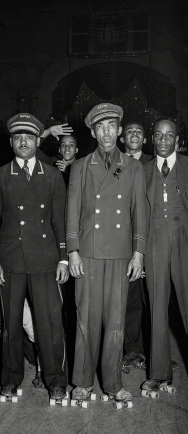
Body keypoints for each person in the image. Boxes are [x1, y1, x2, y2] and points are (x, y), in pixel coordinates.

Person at [66, 103, 147, 406]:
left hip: (120, 253)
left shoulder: (133, 166)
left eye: (112, 126)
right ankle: (83, 381)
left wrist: (138, 253)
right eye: (100, 127)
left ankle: (113, 383)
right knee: (86, 318)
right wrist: (73, 251)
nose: (107, 132)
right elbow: (71, 212)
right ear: (93, 132)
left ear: (120, 130)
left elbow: (140, 211)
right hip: (88, 253)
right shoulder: (81, 166)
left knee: (116, 320)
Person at [0, 112, 69, 404]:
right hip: (10, 262)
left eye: (29, 137)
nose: (23, 142)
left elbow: (59, 220)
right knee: (11, 326)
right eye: (18, 138)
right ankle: (10, 379)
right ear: (11, 142)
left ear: (38, 141)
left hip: (45, 259)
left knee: (50, 324)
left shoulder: (53, 175)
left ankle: (56, 381)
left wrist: (63, 258)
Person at [141, 117, 188, 396]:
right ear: (152, 138)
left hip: (185, 241)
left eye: (169, 136)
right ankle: (159, 373)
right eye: (158, 135)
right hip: (155, 242)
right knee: (157, 307)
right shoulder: (142, 170)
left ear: (177, 140)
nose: (163, 140)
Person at [119, 122, 152, 371]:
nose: (134, 135)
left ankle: (154, 353)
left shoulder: (153, 163)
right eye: (129, 131)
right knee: (129, 300)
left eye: (138, 132)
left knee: (152, 300)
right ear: (122, 138)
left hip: (150, 240)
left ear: (145, 139)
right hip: (120, 240)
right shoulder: (115, 163)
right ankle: (132, 350)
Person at [0, 283, 44, 387]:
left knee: (34, 360)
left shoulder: (22, 310)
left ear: (2, 305)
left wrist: (41, 374)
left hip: (20, 333)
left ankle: (19, 346)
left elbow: (40, 343)